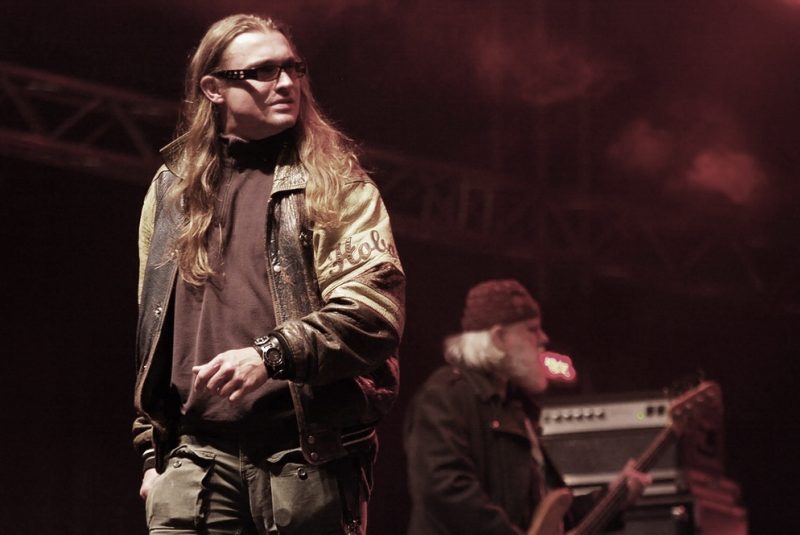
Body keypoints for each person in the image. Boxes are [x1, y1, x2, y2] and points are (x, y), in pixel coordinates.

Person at [132, 13, 405, 535]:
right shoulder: (172, 191)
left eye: (293, 68)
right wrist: (151, 455)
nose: (285, 83)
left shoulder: (336, 184)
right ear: (213, 88)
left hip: (305, 462)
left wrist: (270, 355)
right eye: (262, 71)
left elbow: (374, 315)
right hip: (193, 465)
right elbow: (152, 333)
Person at [403, 279, 649, 535]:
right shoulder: (445, 395)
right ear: (499, 337)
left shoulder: (517, 407)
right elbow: (445, 491)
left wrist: (612, 497)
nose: (544, 338)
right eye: (532, 329)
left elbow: (548, 515)